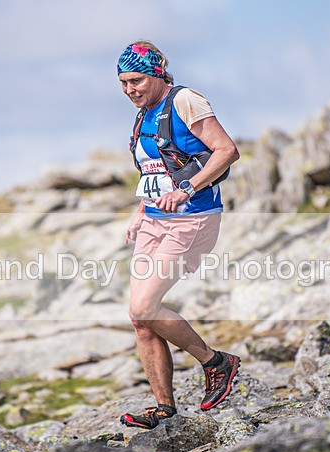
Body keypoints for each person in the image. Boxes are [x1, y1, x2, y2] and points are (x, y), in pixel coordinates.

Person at [117, 40, 241, 429]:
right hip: (154, 221)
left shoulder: (185, 100)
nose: (129, 90)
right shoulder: (142, 115)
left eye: (136, 80)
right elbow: (155, 170)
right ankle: (163, 408)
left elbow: (226, 150)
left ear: (156, 73)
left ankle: (217, 363)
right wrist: (141, 213)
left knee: (144, 307)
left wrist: (187, 189)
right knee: (141, 319)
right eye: (122, 83)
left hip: (193, 218)